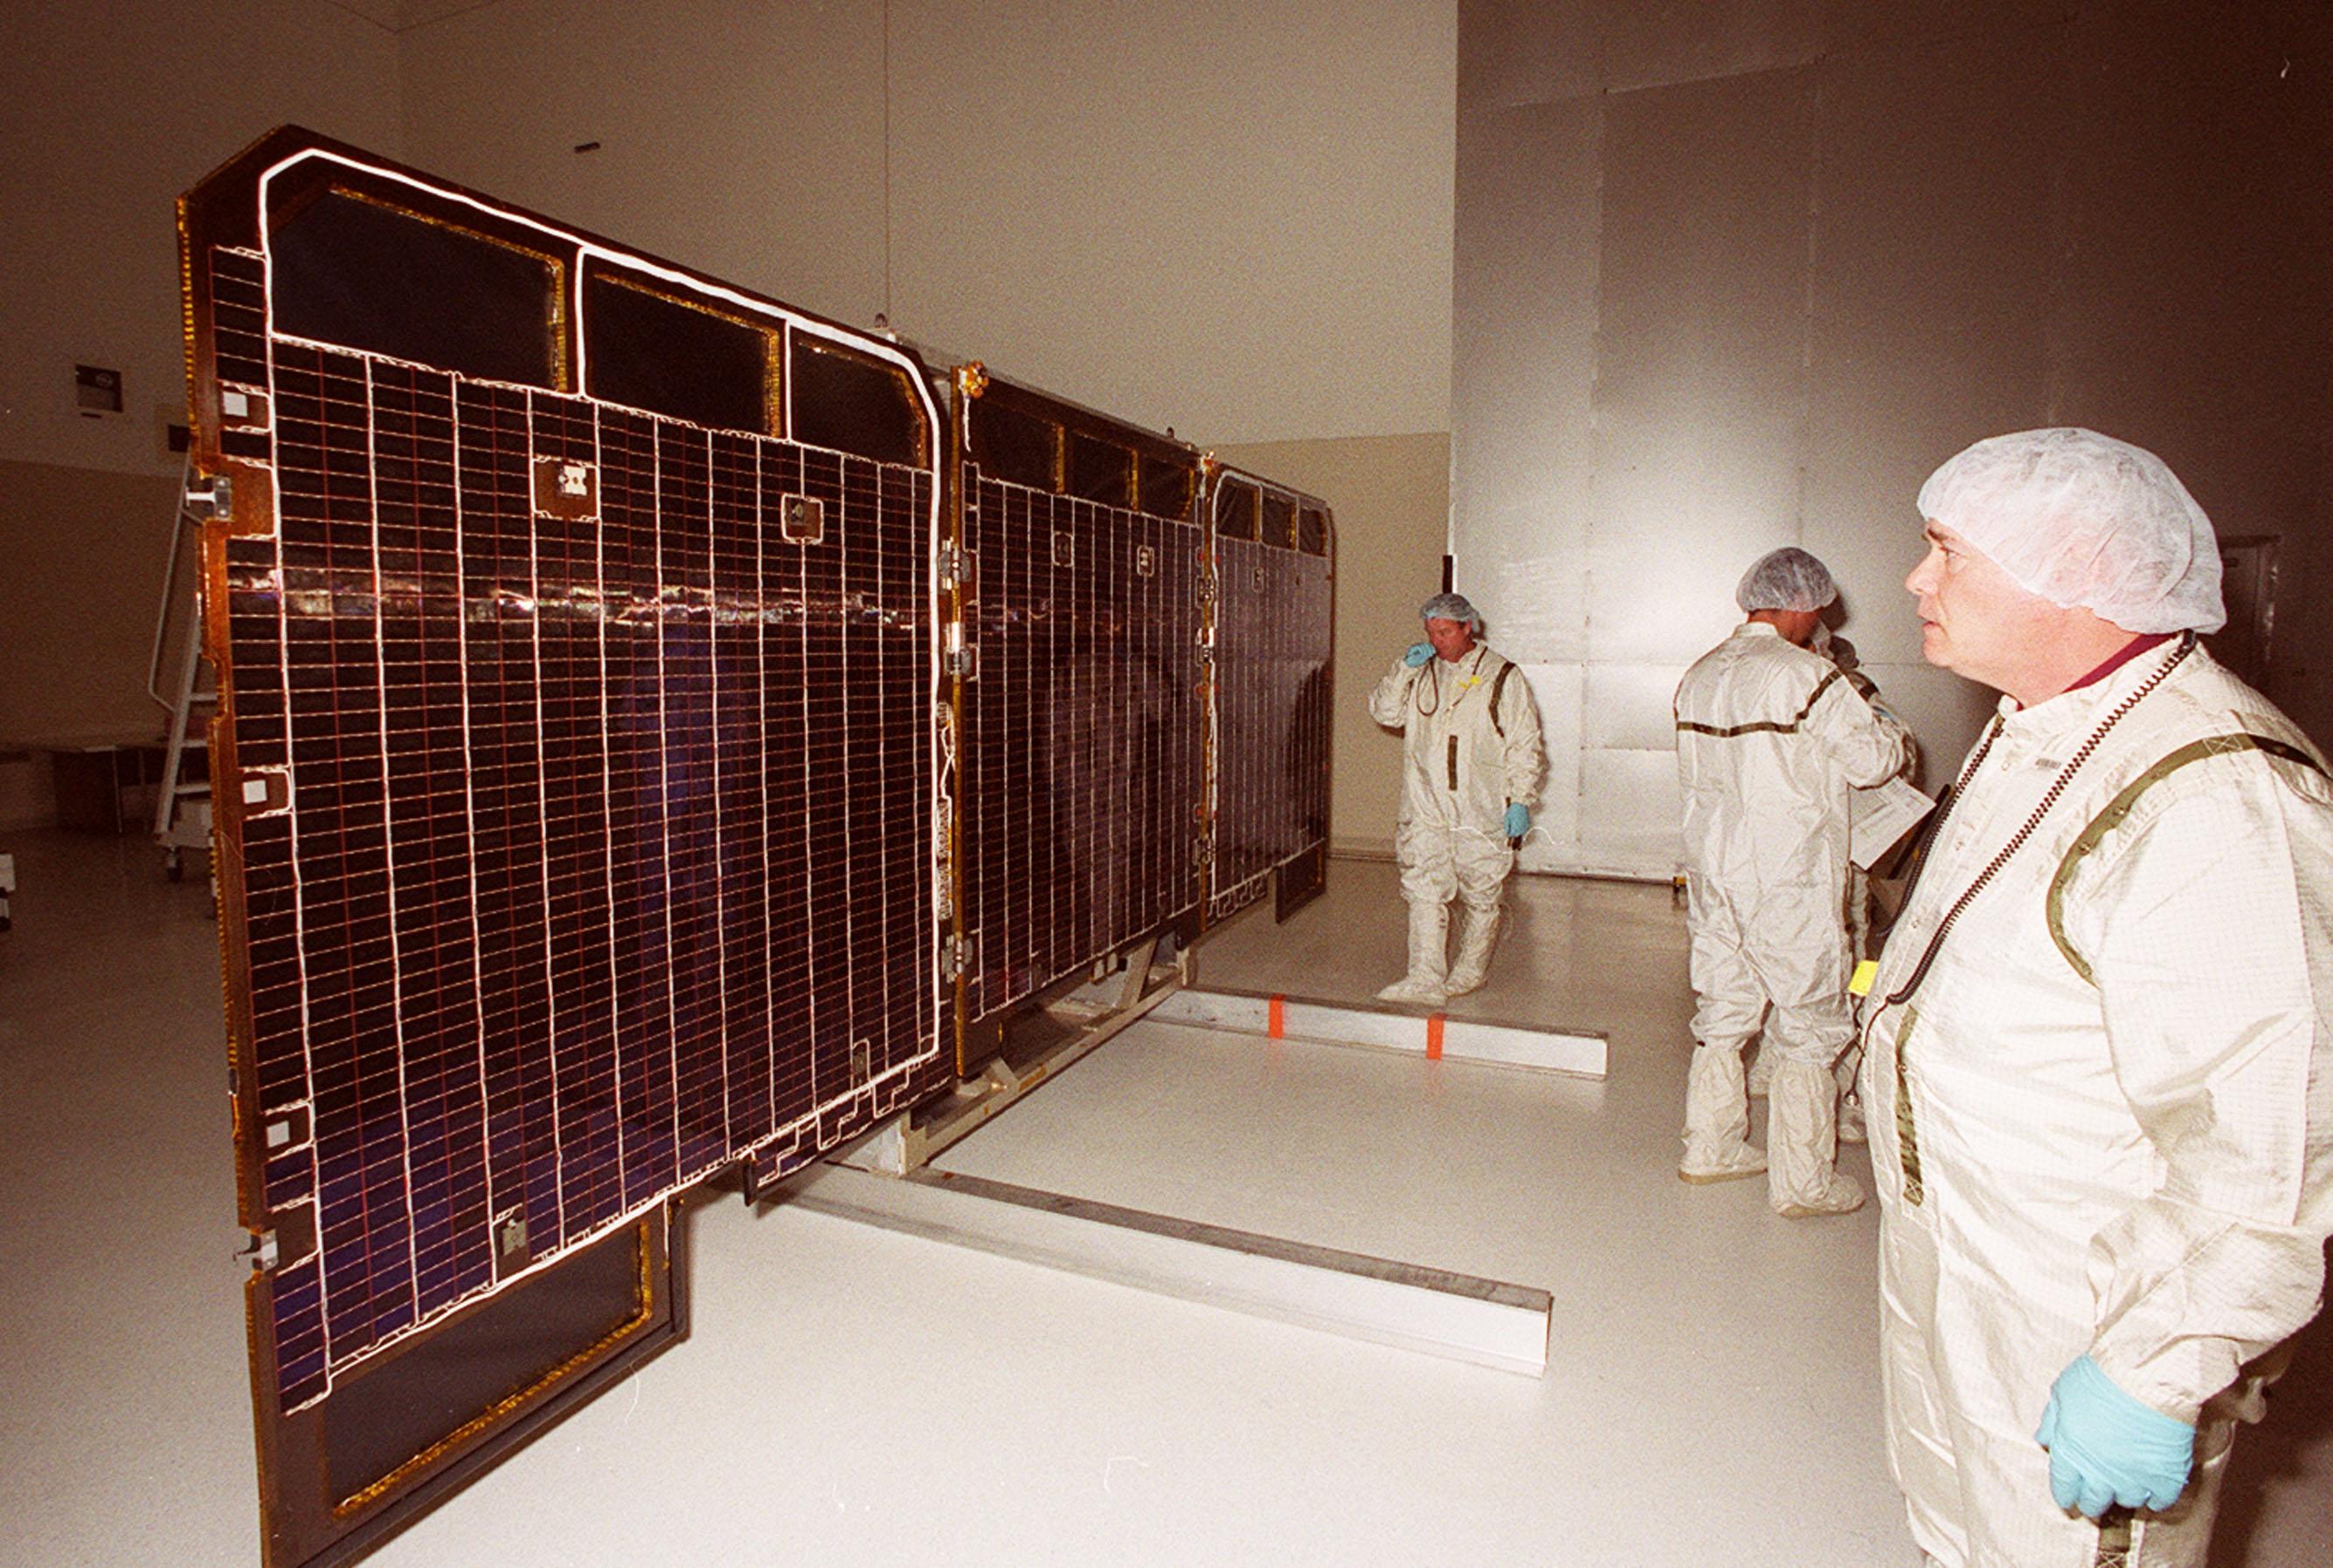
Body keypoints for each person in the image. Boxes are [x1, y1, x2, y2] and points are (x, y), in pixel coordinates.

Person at [1862, 428, 2333, 1568]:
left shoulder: (2215, 798)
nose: (1916, 579)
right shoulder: (2040, 726)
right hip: (1968, 1262)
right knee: (1955, 1529)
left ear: (2069, 570)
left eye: (1946, 550)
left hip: (2085, 1313)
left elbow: (2273, 1145)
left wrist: (2151, 1368)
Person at [1672, 546, 1912, 1215]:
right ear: (1801, 605)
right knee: (1810, 1022)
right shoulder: (1809, 675)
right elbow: (1872, 763)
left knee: (1723, 1010)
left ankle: (1710, 1147)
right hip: (1790, 875)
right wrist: (1891, 732)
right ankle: (1804, 1183)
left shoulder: (1700, 673)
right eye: (1818, 611)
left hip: (1715, 870)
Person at [1366, 591, 1544, 1005]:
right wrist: (1403, 670)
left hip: (1479, 806)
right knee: (1423, 887)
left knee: (1481, 891)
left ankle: (1470, 971)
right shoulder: (1421, 672)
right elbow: (1385, 713)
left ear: (1468, 627)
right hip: (1425, 804)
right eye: (1431, 632)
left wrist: (1521, 798)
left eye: (1445, 632)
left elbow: (1524, 743)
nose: (1437, 640)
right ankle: (1424, 977)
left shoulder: (1503, 676)